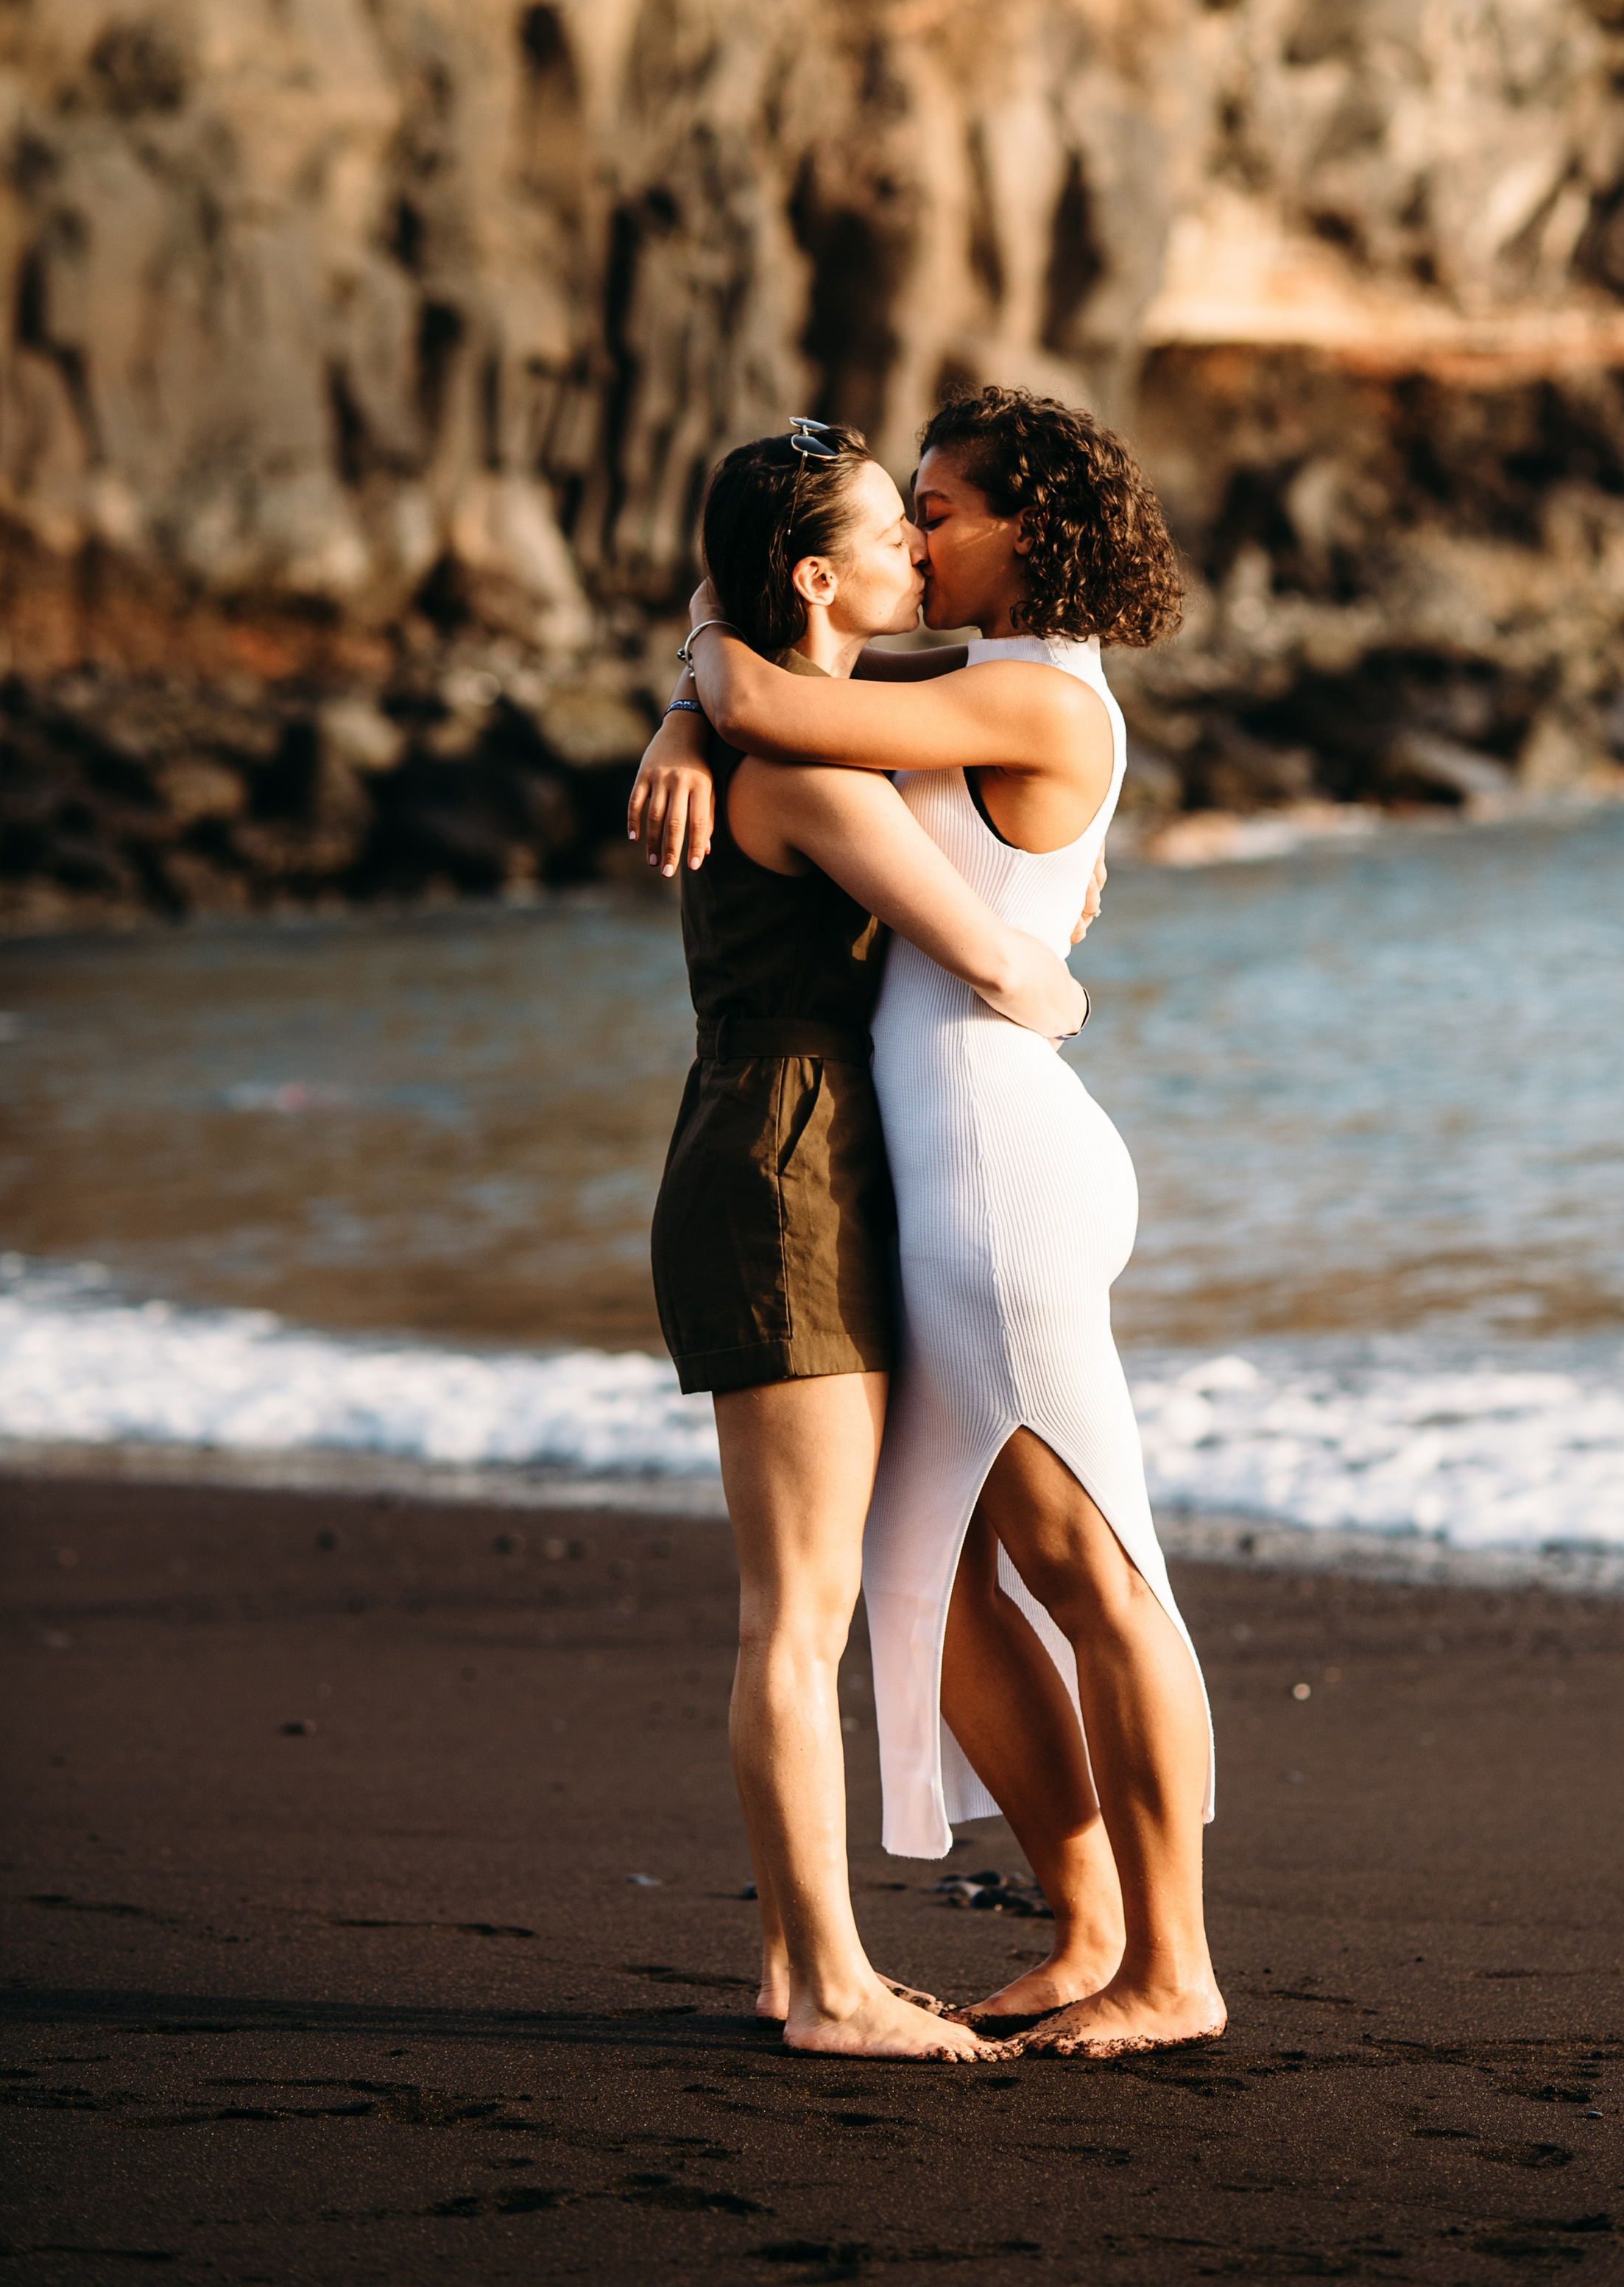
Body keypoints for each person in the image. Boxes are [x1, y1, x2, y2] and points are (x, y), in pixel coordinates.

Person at [635, 390, 1222, 2061]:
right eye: (900, 516)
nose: (916, 534)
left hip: (992, 1164)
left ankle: (1170, 1965)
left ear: (1029, 526)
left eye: (940, 508)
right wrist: (687, 712)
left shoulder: (1027, 692)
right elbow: (774, 685)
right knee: (938, 1577)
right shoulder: (965, 684)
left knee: (1089, 1568)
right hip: (920, 1165)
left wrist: (703, 683)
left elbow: (769, 689)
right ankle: (1089, 1928)